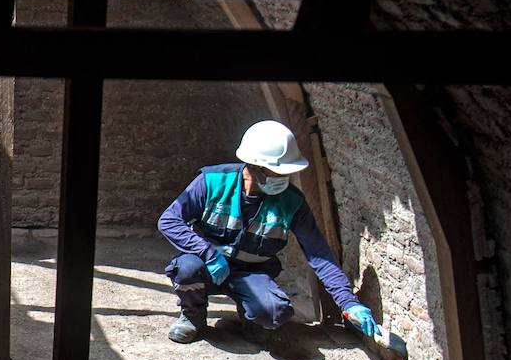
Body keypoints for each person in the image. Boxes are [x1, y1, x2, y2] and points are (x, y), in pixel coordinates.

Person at [157, 120, 376, 344]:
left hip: (252, 273)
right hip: (207, 267)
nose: (284, 179)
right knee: (186, 270)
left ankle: (252, 318)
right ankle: (193, 316)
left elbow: (318, 254)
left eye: (287, 173)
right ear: (254, 166)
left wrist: (348, 302)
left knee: (275, 313)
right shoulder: (212, 182)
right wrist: (208, 253)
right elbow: (169, 220)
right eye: (278, 173)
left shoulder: (292, 202)